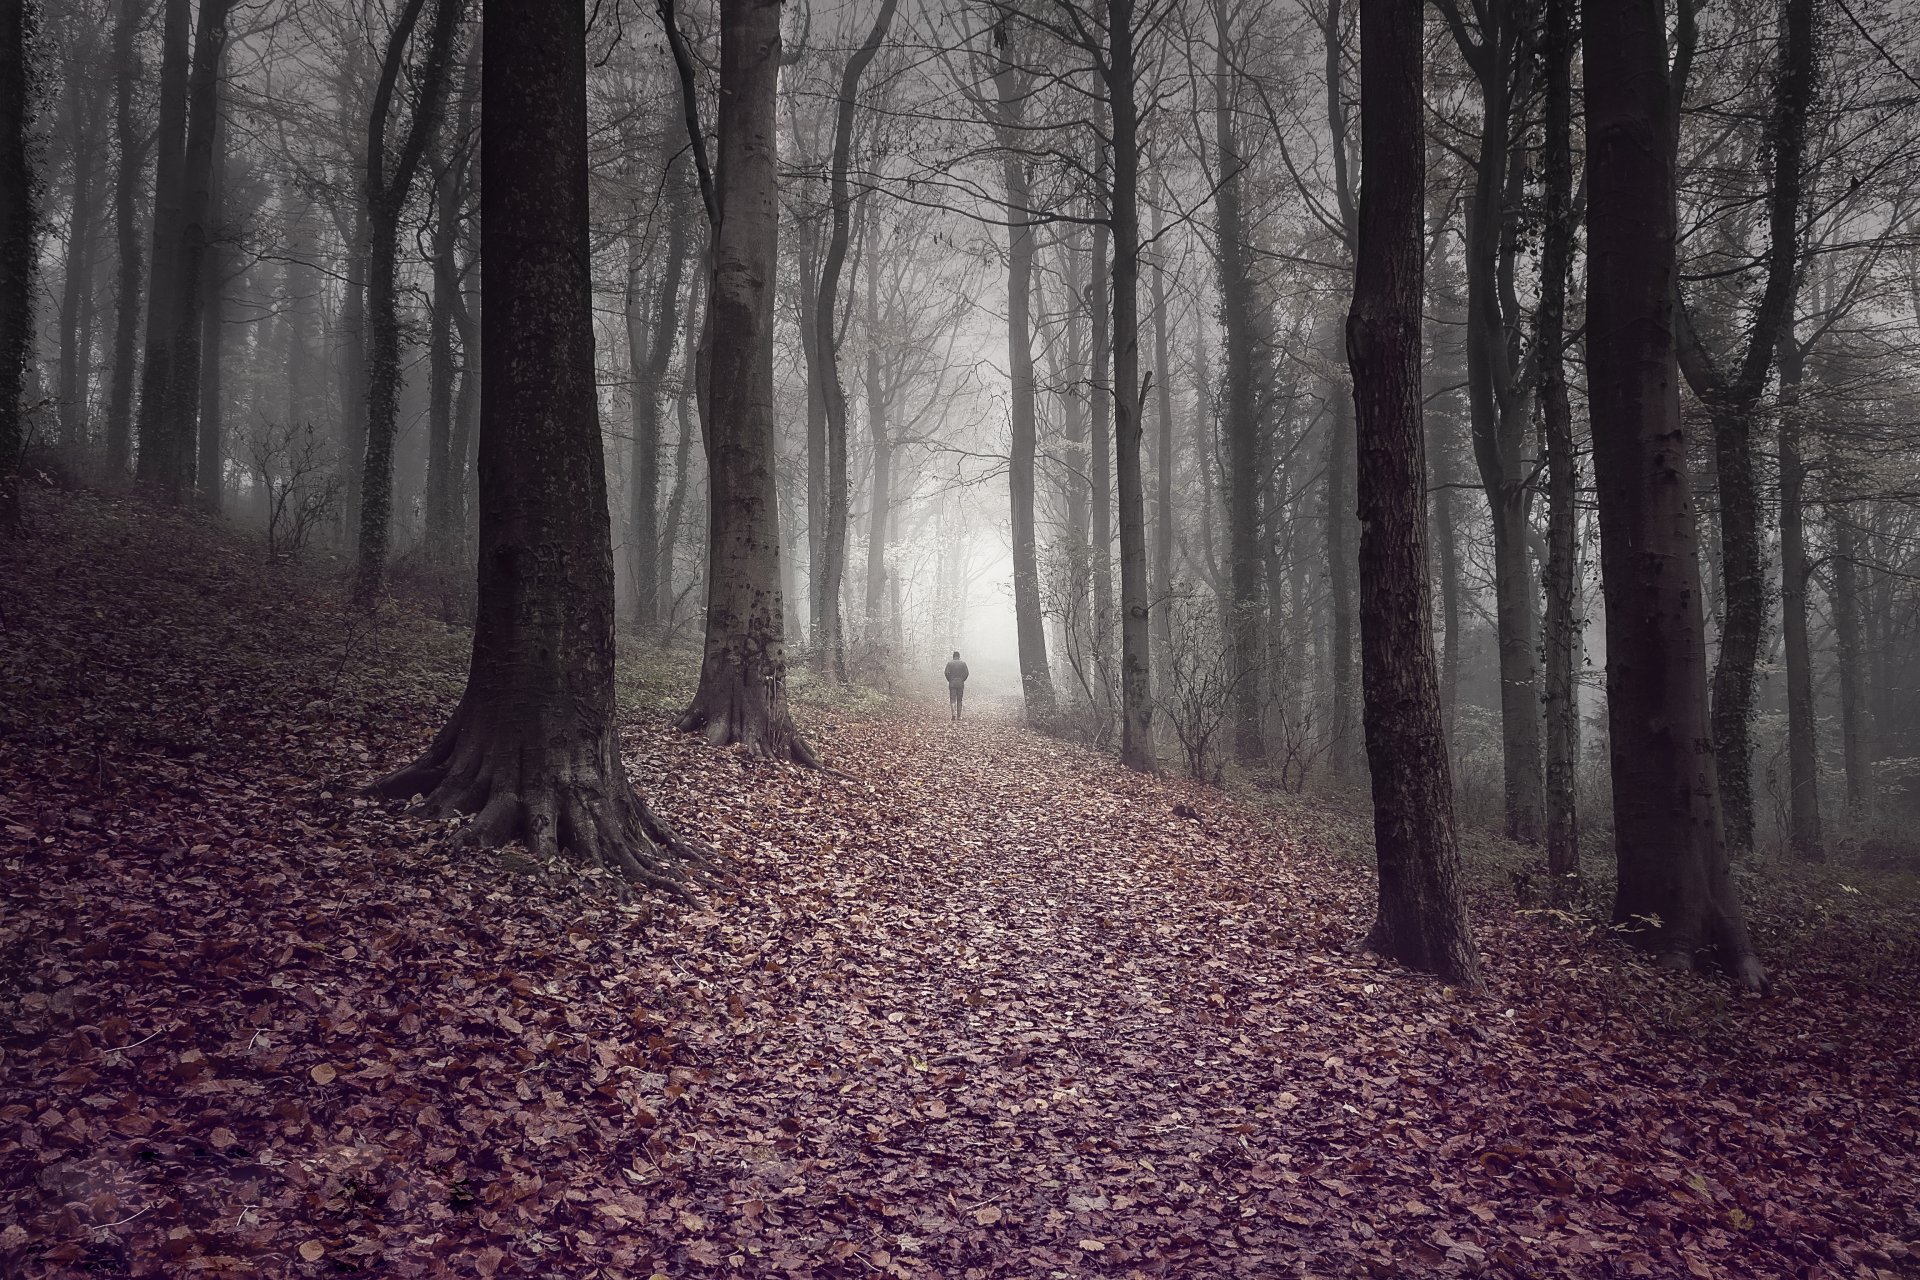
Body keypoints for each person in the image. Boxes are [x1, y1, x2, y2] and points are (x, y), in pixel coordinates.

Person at [943, 651, 969, 721]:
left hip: (952, 683)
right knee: (959, 700)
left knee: (952, 699)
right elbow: (967, 673)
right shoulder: (963, 663)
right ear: (959, 656)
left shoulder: (949, 663)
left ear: (953, 656)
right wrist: (963, 679)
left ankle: (953, 713)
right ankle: (959, 716)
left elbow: (946, 672)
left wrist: (949, 679)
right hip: (960, 683)